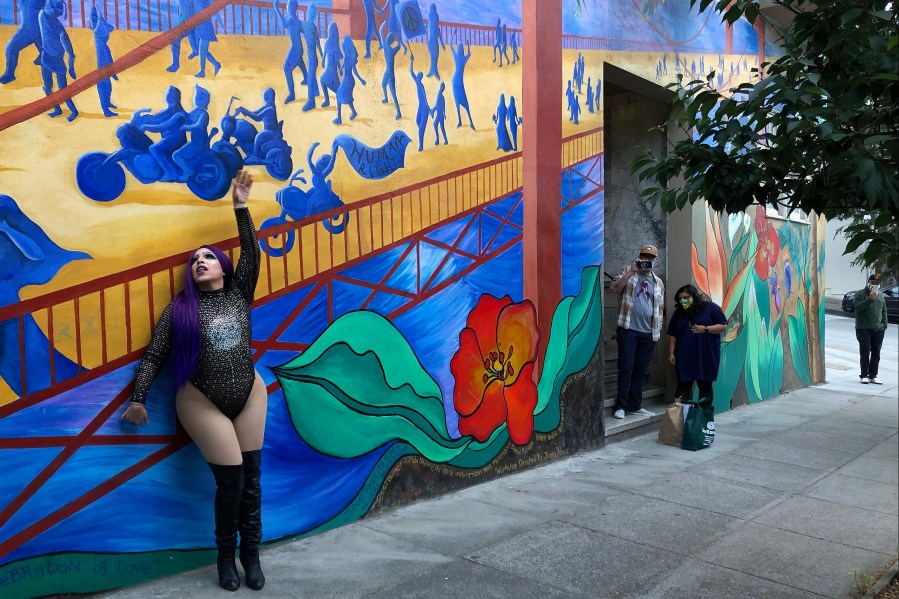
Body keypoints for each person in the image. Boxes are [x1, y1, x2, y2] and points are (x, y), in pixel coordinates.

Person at [121, 171, 266, 592]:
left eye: (207, 257)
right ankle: (225, 557)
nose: (199, 262)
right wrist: (139, 398)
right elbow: (154, 355)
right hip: (201, 399)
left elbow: (252, 253)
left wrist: (240, 205)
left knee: (252, 479)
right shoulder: (178, 310)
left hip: (250, 392)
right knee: (231, 480)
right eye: (193, 261)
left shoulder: (241, 293)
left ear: (221, 267)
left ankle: (251, 555)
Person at [610, 244, 665, 419]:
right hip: (628, 330)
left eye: (650, 257)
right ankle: (621, 405)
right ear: (639, 256)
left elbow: (659, 307)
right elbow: (614, 288)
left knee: (640, 370)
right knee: (625, 367)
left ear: (655, 260)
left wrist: (657, 329)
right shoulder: (628, 271)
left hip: (649, 333)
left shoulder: (658, 282)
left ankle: (635, 404)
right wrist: (631, 272)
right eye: (644, 256)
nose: (646, 260)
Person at [666, 284, 727, 402]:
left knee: (705, 386)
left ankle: (703, 418)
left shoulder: (710, 308)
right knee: (683, 385)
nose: (683, 301)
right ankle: (680, 416)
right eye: (680, 299)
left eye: (686, 297)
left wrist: (705, 329)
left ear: (694, 296)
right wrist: (671, 352)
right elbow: (672, 333)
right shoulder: (678, 313)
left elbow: (723, 326)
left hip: (706, 354)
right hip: (685, 354)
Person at [853, 273, 888, 385]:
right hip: (863, 328)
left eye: (877, 283)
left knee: (876, 353)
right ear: (868, 282)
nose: (875, 285)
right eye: (873, 283)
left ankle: (873, 375)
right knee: (865, 352)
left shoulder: (881, 296)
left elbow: (884, 311)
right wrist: (870, 299)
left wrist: (884, 325)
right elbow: (857, 308)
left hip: (878, 329)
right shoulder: (860, 294)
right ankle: (864, 375)